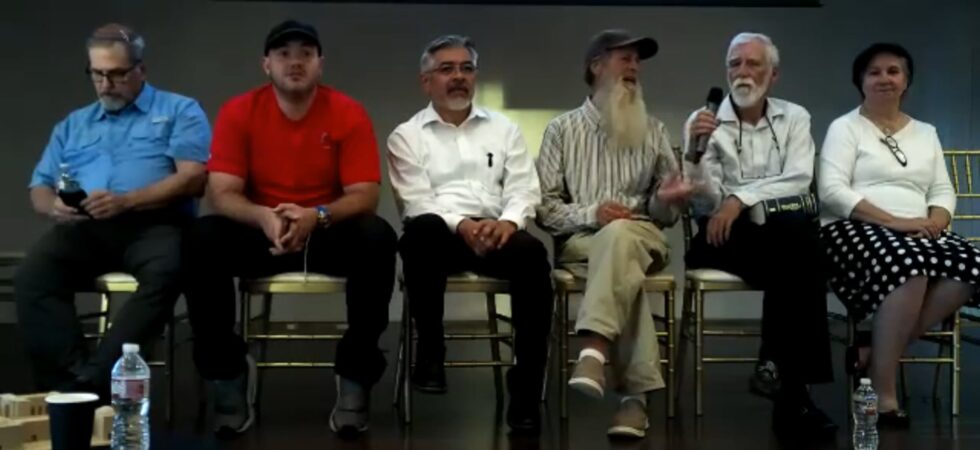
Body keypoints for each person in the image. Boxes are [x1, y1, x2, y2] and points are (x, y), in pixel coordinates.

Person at [181, 19, 397, 438]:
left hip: (324, 230)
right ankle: (228, 372)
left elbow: (365, 194)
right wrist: (264, 217)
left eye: (305, 54)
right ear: (266, 64)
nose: (295, 62)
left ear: (320, 64)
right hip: (260, 231)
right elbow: (221, 193)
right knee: (201, 238)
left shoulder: (347, 111)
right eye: (283, 54)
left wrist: (316, 216)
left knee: (377, 236)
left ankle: (355, 374)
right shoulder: (239, 111)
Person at [15, 23, 210, 401]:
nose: (106, 85)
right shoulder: (74, 124)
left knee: (168, 271)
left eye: (118, 74)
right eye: (97, 74)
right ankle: (69, 384)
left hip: (155, 223)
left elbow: (193, 179)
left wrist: (127, 200)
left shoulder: (179, 110)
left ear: (141, 69)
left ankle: (98, 381)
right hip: (85, 226)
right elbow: (39, 187)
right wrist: (53, 206)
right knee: (32, 277)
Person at [387, 34, 553, 434]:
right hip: (440, 237)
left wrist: (508, 223)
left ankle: (526, 393)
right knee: (422, 230)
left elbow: (524, 188)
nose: (458, 77)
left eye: (466, 68)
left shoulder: (504, 129)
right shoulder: (407, 135)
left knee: (533, 256)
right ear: (426, 81)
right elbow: (416, 201)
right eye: (447, 69)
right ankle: (431, 352)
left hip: (496, 232)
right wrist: (461, 225)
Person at [535, 29, 691, 439]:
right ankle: (635, 401)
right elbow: (545, 209)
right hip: (584, 242)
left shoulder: (653, 130)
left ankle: (594, 350)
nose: (634, 67)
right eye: (625, 58)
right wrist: (593, 212)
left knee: (621, 237)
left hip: (643, 238)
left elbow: (665, 215)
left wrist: (667, 200)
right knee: (623, 272)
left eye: (637, 61)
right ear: (596, 66)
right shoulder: (561, 131)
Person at [683, 32, 836, 439]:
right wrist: (693, 155)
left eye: (753, 63)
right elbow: (705, 201)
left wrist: (741, 198)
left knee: (795, 247)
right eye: (734, 64)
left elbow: (799, 178)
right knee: (806, 259)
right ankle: (792, 390)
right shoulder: (704, 121)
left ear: (774, 74)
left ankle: (780, 376)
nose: (743, 72)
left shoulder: (795, 117)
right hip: (722, 236)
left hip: (781, 233)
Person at [818, 42, 979, 428]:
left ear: (906, 81)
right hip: (853, 228)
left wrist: (937, 219)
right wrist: (894, 222)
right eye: (874, 72)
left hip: (917, 229)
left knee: (971, 265)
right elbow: (832, 191)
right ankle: (884, 393)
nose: (884, 78)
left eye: (893, 71)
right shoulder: (845, 127)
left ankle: (873, 352)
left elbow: (942, 189)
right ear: (861, 81)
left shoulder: (926, 132)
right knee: (908, 264)